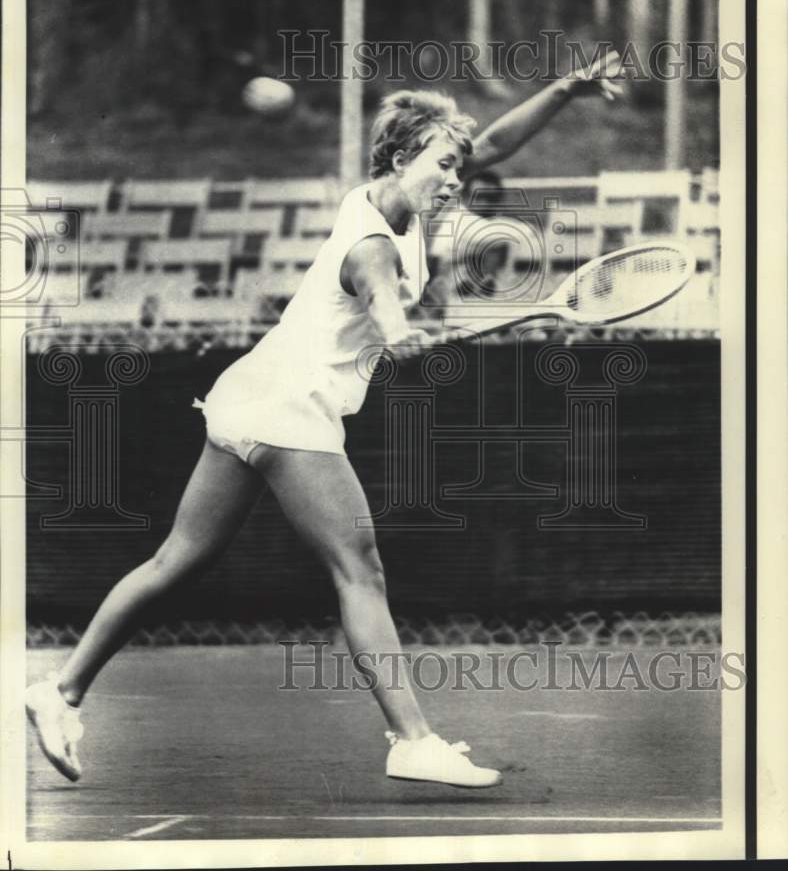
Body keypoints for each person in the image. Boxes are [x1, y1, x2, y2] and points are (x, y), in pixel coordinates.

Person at [26, 53, 623, 789]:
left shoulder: (395, 199)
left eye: (455, 167)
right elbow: (378, 288)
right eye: (441, 164)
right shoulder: (373, 242)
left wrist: (565, 88)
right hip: (291, 411)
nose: (454, 178)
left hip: (248, 394)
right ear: (404, 157)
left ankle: (59, 691)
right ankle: (412, 739)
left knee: (176, 562)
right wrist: (398, 329)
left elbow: (490, 146)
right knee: (359, 568)